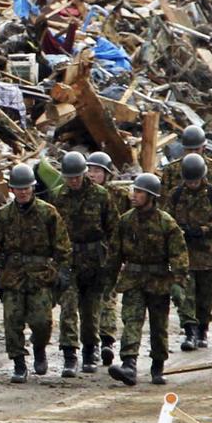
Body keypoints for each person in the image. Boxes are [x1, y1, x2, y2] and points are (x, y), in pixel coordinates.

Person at [0, 163, 70, 384]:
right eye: (18, 188)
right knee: (12, 321)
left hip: (40, 275)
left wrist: (63, 272)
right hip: (12, 276)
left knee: (42, 322)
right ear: (12, 190)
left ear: (33, 188)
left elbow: (62, 246)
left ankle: (39, 348)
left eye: (26, 188)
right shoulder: (3, 216)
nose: (22, 192)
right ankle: (19, 363)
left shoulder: (48, 213)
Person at [108, 173, 187, 387]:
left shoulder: (166, 222)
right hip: (133, 279)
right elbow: (115, 252)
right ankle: (129, 364)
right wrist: (109, 278)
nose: (134, 195)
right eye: (134, 191)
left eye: (139, 192)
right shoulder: (126, 220)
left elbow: (179, 253)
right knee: (131, 320)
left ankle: (158, 366)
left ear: (151, 196)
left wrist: (178, 280)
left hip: (159, 281)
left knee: (158, 325)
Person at [52, 152, 120, 377]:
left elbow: (114, 230)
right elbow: (54, 231)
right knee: (68, 308)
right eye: (69, 177)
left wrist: (115, 260)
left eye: (77, 177)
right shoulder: (59, 197)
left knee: (91, 311)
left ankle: (91, 351)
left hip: (95, 261)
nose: (73, 181)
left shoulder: (101, 196)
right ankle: (70, 355)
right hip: (69, 259)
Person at [169, 153, 212, 351]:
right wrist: (179, 231)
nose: (192, 184)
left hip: (208, 252)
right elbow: (166, 218)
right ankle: (190, 331)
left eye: (195, 180)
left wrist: (204, 230)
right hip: (185, 254)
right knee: (185, 295)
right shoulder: (176, 195)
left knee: (206, 295)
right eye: (189, 181)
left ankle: (203, 329)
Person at [85, 151, 124, 363]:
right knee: (88, 302)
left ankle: (107, 340)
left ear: (107, 174)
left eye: (97, 171)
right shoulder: (81, 193)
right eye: (89, 170)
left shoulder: (118, 196)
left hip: (108, 253)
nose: (92, 175)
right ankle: (90, 345)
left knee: (107, 298)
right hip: (85, 256)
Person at [160, 125, 212, 209]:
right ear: (184, 149)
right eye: (189, 150)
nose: (193, 153)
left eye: (197, 149)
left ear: (203, 148)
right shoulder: (171, 170)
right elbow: (162, 202)